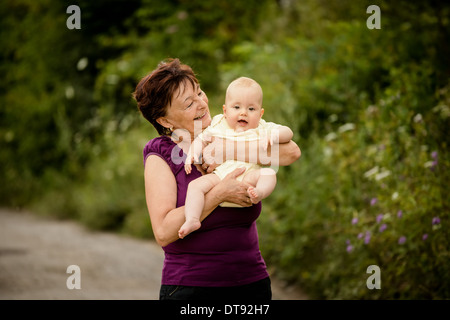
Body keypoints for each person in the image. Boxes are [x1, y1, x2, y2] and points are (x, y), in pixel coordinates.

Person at [133, 58, 301, 300]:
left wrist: (227, 150)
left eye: (200, 92)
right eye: (189, 103)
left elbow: (291, 152)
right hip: (191, 288)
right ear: (165, 120)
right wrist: (219, 194)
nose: (201, 104)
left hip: (251, 282)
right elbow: (164, 231)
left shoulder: (232, 130)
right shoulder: (161, 153)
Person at [179, 77, 294, 239]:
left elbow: (288, 133)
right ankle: (192, 218)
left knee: (269, 174)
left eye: (251, 109)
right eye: (237, 107)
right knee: (195, 186)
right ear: (225, 111)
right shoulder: (219, 124)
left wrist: (274, 135)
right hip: (220, 178)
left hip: (249, 177)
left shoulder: (262, 127)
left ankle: (258, 193)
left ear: (260, 113)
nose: (243, 112)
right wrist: (192, 154)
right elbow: (201, 139)